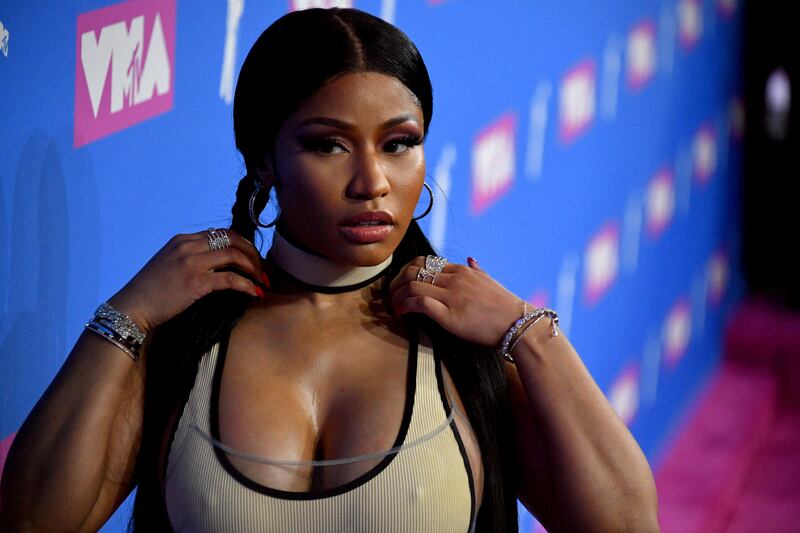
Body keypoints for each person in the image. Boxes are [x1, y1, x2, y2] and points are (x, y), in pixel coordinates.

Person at [0, 7, 658, 532]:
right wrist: (127, 315)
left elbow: (627, 524)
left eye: (399, 144)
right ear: (264, 160)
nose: (373, 181)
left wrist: (531, 334)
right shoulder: (185, 338)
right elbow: (32, 520)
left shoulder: (468, 343)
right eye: (329, 145)